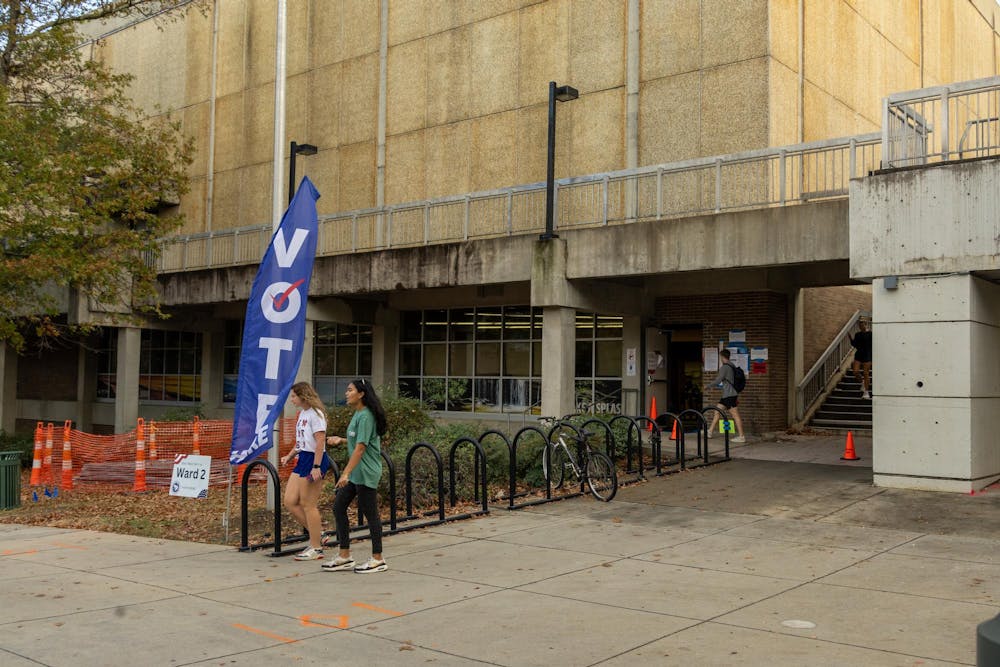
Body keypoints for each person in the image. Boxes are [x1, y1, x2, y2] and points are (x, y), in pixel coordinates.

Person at [322, 378, 389, 574]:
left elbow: (361, 448)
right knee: (339, 507)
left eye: (350, 390)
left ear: (361, 394)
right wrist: (341, 440)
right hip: (356, 472)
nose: (346, 393)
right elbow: (358, 439)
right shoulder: (358, 414)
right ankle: (345, 555)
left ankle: (378, 559)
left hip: (365, 472)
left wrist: (345, 473)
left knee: (371, 515)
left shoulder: (366, 416)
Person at [279, 382, 333, 561]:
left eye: (294, 396)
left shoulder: (316, 414)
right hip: (303, 459)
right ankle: (319, 534)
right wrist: (289, 455)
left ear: (303, 396)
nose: (292, 399)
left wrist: (316, 467)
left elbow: (320, 441)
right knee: (289, 501)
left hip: (313, 460)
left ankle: (316, 548)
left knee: (308, 504)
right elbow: (303, 441)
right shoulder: (303, 413)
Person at [706, 349, 746, 443]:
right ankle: (710, 431)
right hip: (727, 395)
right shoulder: (732, 365)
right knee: (717, 410)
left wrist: (707, 386)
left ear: (722, 357)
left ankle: (741, 436)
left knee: (735, 415)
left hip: (730, 395)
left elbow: (717, 381)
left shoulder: (725, 367)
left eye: (720, 357)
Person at [849, 320, 873, 400]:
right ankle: (862, 382)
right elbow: (855, 345)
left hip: (867, 355)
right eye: (860, 326)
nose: (861, 327)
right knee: (855, 371)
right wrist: (850, 338)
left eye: (862, 325)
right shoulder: (857, 334)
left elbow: (873, 345)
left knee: (866, 373)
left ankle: (866, 392)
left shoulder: (870, 334)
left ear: (866, 325)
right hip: (859, 355)